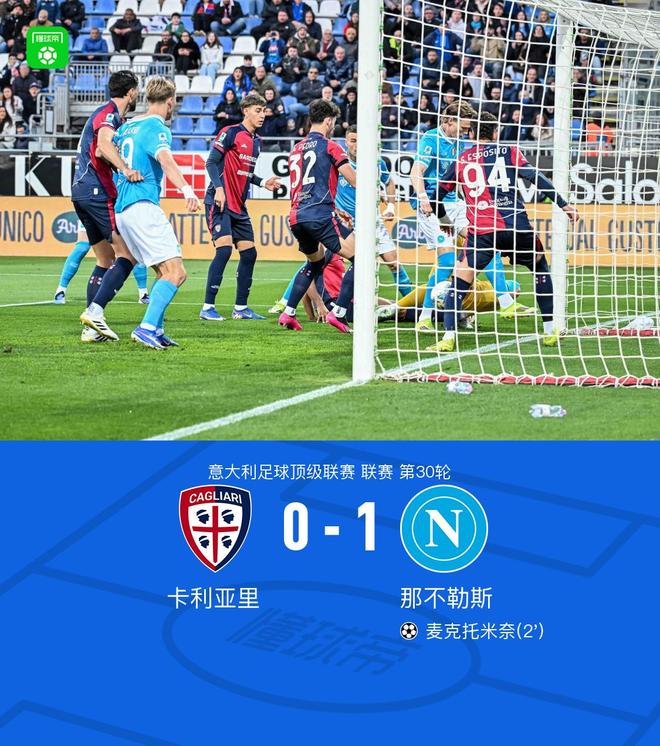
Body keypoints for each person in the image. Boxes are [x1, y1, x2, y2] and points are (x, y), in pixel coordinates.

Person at [427, 112, 579, 353]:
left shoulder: (461, 160)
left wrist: (445, 220)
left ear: (471, 133)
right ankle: (550, 330)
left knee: (458, 283)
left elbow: (436, 196)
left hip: (482, 233)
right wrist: (563, 204)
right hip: (516, 227)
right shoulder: (509, 151)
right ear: (495, 133)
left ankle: (448, 337)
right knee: (540, 268)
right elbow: (535, 177)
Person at [113, 76, 201, 350]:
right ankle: (146, 328)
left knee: (163, 271)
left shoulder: (127, 127)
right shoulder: (156, 126)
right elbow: (165, 159)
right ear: (170, 101)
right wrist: (187, 190)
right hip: (142, 205)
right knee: (176, 272)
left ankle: (157, 329)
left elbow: (107, 156)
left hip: (123, 208)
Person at [75, 71, 143, 343]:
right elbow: (103, 146)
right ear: (131, 91)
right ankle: (95, 312)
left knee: (105, 260)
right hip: (97, 191)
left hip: (81, 192)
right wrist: (125, 168)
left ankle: (91, 329)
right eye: (137, 90)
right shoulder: (109, 114)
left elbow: (98, 149)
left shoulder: (108, 115)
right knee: (128, 255)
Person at [278, 98, 357, 333]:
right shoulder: (330, 146)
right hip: (319, 214)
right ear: (329, 121)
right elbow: (354, 180)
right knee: (362, 259)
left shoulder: (296, 149)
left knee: (316, 262)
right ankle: (339, 313)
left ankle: (288, 312)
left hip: (296, 216)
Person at [200, 92, 280, 321]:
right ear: (246, 111)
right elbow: (211, 162)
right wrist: (219, 189)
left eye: (264, 111)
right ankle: (207, 307)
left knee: (249, 254)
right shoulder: (231, 132)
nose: (262, 115)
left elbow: (245, 173)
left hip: (238, 206)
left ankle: (241, 308)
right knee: (224, 250)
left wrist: (263, 182)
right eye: (258, 110)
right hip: (220, 202)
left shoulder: (257, 142)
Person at [54, 227, 149, 306]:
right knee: (82, 248)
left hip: (114, 213)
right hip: (94, 211)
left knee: (131, 248)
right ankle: (61, 290)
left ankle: (143, 293)